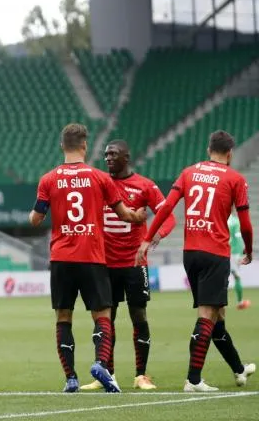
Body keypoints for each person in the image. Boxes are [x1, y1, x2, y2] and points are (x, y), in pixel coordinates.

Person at [29, 123, 146, 394]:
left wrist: (39, 212)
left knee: (63, 316)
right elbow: (124, 213)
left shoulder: (49, 179)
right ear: (84, 146)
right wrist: (138, 216)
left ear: (62, 146)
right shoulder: (99, 178)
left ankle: (71, 378)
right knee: (102, 314)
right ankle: (101, 363)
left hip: (61, 258)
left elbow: (35, 219)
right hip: (92, 256)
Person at [138, 130, 255, 391]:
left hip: (190, 253)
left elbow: (166, 207)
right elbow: (245, 223)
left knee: (218, 316)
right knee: (207, 315)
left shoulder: (188, 172)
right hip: (215, 253)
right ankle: (193, 380)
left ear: (208, 150)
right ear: (230, 153)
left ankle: (238, 369)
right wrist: (249, 249)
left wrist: (147, 238)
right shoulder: (235, 178)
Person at [80, 140, 175, 391]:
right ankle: (106, 374)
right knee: (105, 319)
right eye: (106, 154)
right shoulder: (100, 183)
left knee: (138, 316)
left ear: (127, 157)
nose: (108, 157)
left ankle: (141, 375)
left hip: (134, 263)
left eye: (113, 154)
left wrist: (154, 235)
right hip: (104, 264)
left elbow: (169, 217)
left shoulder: (145, 185)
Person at [228, 213, 251, 309]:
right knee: (236, 276)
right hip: (233, 253)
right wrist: (241, 254)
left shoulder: (218, 217)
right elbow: (238, 238)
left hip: (219, 251)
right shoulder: (234, 221)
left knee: (220, 277)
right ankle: (240, 302)